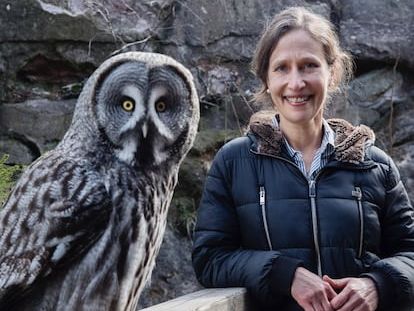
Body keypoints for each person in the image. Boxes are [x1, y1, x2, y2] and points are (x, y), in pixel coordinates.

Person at [192, 6, 414, 311]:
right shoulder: (234, 162)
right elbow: (210, 259)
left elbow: (410, 252)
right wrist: (284, 273)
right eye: (282, 68)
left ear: (331, 73)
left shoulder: (375, 165)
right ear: (266, 80)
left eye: (309, 65)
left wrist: (378, 283)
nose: (296, 83)